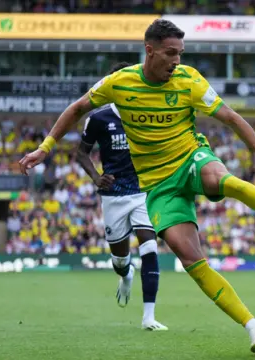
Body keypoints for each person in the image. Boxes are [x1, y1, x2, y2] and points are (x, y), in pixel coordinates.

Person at [19, 19, 255, 354]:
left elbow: (230, 117)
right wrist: (45, 147)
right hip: (158, 184)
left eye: (180, 54)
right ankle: (253, 326)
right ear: (150, 50)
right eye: (171, 53)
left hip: (190, 157)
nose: (177, 61)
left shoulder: (189, 80)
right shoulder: (119, 83)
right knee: (191, 259)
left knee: (223, 180)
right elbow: (77, 107)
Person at [76, 62, 167, 331]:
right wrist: (96, 177)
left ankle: (148, 317)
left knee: (149, 247)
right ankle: (126, 274)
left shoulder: (148, 114)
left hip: (143, 191)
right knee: (120, 261)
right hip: (113, 195)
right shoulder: (99, 118)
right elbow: (81, 153)